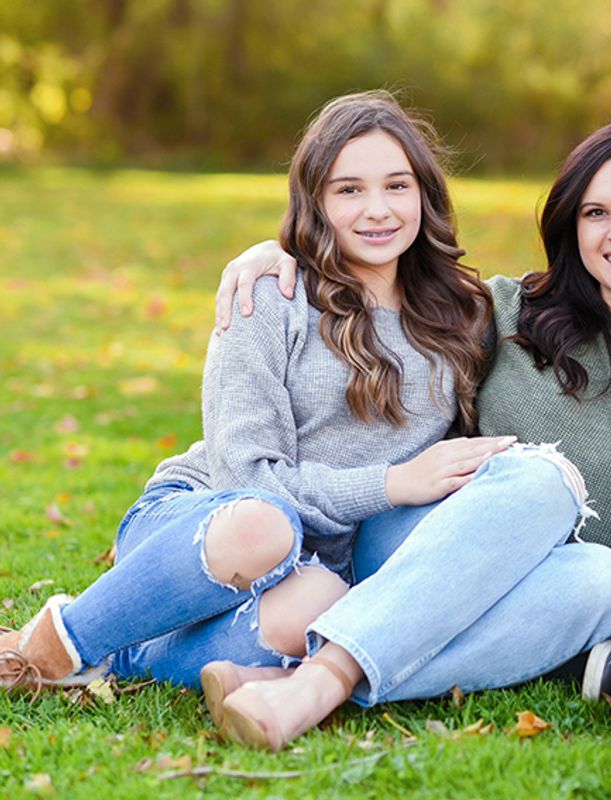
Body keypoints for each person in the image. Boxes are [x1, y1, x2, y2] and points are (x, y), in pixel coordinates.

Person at [206, 118, 611, 763]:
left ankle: (302, 675)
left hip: (543, 598)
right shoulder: (505, 310)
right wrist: (280, 253)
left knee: (606, 580)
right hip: (413, 550)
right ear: (572, 229)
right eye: (594, 213)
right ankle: (322, 685)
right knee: (536, 477)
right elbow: (375, 279)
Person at [0, 91, 516, 695]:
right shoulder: (271, 296)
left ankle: (130, 653)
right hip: (209, 527)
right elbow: (248, 480)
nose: (378, 209)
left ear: (426, 196)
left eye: (397, 186)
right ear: (316, 201)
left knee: (325, 606)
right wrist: (392, 484)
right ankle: (53, 647)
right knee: (264, 526)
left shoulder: (464, 316)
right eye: (349, 189)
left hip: (317, 568)